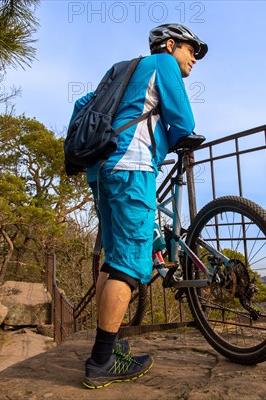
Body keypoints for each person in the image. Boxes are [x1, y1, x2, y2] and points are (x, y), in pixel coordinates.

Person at [69, 23, 208, 389]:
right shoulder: (161, 64)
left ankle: (107, 345)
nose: (195, 56)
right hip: (132, 167)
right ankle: (101, 362)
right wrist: (182, 137)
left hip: (101, 169)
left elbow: (83, 104)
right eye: (191, 48)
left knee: (114, 257)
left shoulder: (121, 68)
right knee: (130, 265)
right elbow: (184, 120)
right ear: (169, 44)